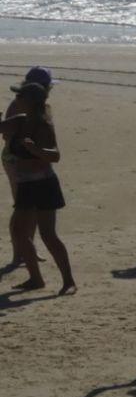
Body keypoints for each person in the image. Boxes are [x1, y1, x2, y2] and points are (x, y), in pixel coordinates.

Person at [2, 81, 76, 293]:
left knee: (48, 234)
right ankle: (36, 279)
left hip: (44, 184)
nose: (16, 100)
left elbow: (55, 156)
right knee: (19, 232)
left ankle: (69, 281)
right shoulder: (19, 121)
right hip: (25, 184)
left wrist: (35, 149)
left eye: (20, 97)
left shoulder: (43, 125)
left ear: (31, 102)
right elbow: (2, 128)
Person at [5, 66, 52, 270]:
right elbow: (7, 135)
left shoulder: (42, 106)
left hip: (34, 160)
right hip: (15, 159)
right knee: (22, 208)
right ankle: (19, 254)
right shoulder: (18, 105)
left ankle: (28, 250)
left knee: (31, 209)